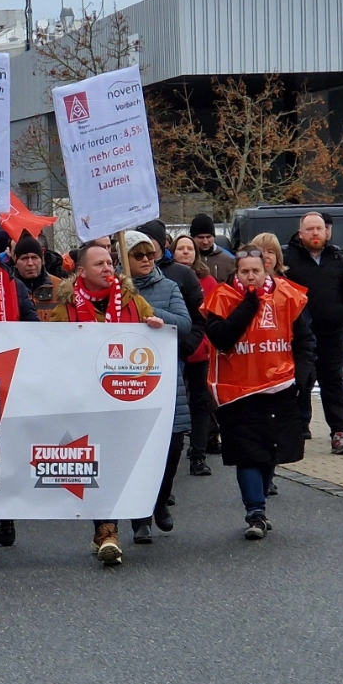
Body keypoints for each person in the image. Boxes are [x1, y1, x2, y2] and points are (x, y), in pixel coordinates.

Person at [55, 241, 165, 565]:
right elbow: (53, 354)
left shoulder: (133, 301)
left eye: (109, 262)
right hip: (87, 402)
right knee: (99, 464)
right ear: (81, 271)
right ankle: (107, 532)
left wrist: (155, 328)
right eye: (99, 264)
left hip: (128, 399)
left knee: (123, 462)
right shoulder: (64, 310)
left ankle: (136, 515)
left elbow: (153, 338)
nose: (107, 268)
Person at [202, 247, 316, 539]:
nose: (250, 276)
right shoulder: (223, 297)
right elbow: (221, 338)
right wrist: (249, 305)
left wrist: (302, 378)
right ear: (236, 273)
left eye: (256, 271)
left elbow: (304, 341)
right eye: (244, 271)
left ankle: (259, 503)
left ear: (266, 270)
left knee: (269, 452)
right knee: (247, 454)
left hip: (279, 388)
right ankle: (255, 512)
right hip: (237, 392)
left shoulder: (287, 295)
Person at [123, 231, 193, 544]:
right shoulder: (116, 289)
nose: (146, 260)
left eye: (150, 254)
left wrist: (152, 313)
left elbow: (185, 323)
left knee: (173, 446)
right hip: (126, 378)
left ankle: (162, 498)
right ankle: (140, 517)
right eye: (138, 255)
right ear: (125, 258)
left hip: (164, 378)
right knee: (137, 449)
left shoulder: (168, 286)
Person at [282, 211, 343, 455]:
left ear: (326, 231)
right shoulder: (288, 258)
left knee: (334, 380)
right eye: (310, 229)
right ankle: (297, 428)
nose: (315, 233)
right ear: (300, 233)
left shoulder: (340, 257)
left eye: (319, 228)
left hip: (332, 332)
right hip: (299, 334)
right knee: (301, 380)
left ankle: (339, 431)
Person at [172, 234, 220, 476]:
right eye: (180, 248)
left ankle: (198, 454)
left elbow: (212, 316)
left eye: (189, 249)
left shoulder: (208, 281)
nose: (185, 252)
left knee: (201, 402)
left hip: (200, 351)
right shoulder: (168, 277)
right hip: (175, 351)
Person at [8, 233, 61, 319]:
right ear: (16, 262)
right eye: (24, 258)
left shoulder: (60, 287)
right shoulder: (7, 288)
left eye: (34, 257)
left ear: (42, 260)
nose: (30, 263)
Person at [189, 213, 235, 282]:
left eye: (208, 237)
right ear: (192, 238)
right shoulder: (186, 259)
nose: (205, 242)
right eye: (200, 237)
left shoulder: (229, 260)